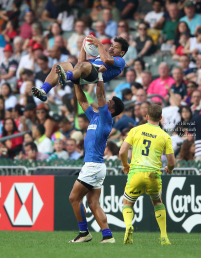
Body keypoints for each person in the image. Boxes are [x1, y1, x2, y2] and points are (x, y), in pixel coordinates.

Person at [68, 72, 124, 243]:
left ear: (111, 109)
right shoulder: (95, 117)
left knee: (73, 198)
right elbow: (82, 101)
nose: (105, 102)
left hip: (93, 166)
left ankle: (84, 233)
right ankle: (107, 236)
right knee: (93, 204)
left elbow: (100, 94)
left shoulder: (106, 118)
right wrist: (76, 82)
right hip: (96, 166)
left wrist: (99, 75)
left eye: (109, 102)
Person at [119, 104, 175, 245]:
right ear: (161, 118)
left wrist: (126, 165)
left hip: (136, 172)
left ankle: (128, 226)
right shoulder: (165, 136)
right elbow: (171, 161)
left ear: (146, 116)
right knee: (157, 201)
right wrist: (169, 168)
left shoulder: (135, 130)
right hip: (153, 175)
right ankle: (164, 236)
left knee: (127, 202)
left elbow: (121, 151)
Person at [32, 36, 129, 102]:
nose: (112, 48)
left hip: (96, 75)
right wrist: (84, 45)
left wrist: (99, 44)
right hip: (83, 72)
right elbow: (80, 61)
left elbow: (106, 60)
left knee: (83, 65)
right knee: (57, 66)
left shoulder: (120, 60)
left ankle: (65, 76)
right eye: (112, 45)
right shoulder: (102, 56)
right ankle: (43, 91)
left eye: (116, 47)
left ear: (121, 53)